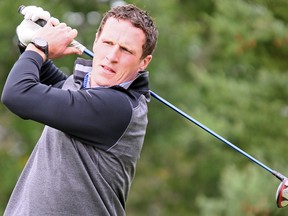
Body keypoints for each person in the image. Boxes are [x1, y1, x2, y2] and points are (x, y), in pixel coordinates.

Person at [1, 4, 158, 215]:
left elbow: (17, 94)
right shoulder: (87, 89)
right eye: (108, 42)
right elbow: (54, 85)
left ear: (143, 62)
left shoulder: (118, 107)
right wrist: (30, 39)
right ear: (95, 41)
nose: (112, 56)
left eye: (126, 50)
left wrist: (38, 47)